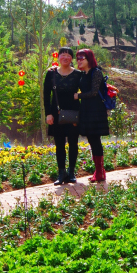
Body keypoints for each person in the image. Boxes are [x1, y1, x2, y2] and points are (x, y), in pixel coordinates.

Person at [44, 46, 80, 185]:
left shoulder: (78, 74)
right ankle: (61, 173)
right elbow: (46, 95)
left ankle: (71, 172)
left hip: (74, 114)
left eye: (68, 55)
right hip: (56, 114)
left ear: (72, 58)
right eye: (62, 55)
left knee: (73, 143)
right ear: (58, 57)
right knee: (59, 144)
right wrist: (48, 114)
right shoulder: (51, 74)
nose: (65, 57)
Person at [75, 48, 109, 183]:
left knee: (95, 140)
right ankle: (98, 171)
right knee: (91, 140)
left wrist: (78, 96)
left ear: (89, 58)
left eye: (81, 58)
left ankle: (100, 172)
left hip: (96, 110)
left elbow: (94, 92)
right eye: (77, 58)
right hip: (86, 109)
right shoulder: (83, 74)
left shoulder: (96, 72)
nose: (78, 60)